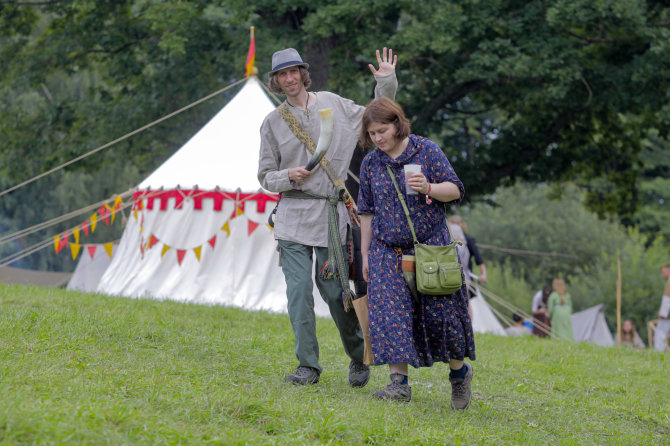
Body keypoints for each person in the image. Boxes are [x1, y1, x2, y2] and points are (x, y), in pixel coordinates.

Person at [257, 47, 398, 386]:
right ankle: (308, 366)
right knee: (298, 292)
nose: (289, 79)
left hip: (329, 215)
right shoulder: (273, 123)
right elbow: (264, 176)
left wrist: (386, 83)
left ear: (303, 74)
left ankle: (358, 356)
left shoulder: (333, 105)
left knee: (335, 293)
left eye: (294, 72)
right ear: (275, 81)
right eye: (282, 75)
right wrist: (287, 175)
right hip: (291, 215)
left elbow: (375, 117)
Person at [358, 97, 475, 409]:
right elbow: (366, 212)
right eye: (372, 134)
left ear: (397, 124)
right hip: (386, 250)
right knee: (390, 315)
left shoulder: (426, 150)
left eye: (382, 131)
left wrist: (429, 188)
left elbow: (456, 189)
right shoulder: (371, 163)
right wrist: (366, 252)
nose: (378, 138)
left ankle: (459, 376)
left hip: (431, 250)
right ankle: (399, 385)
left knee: (443, 319)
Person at [447, 215, 487, 283]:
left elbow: (478, 259)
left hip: (466, 277)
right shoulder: (447, 239)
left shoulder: (468, 239)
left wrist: (484, 274)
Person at [653, 264, 670, 352]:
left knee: (660, 334)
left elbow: (667, 300)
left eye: (663, 272)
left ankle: (658, 352)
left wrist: (662, 314)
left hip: (667, 314)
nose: (662, 274)